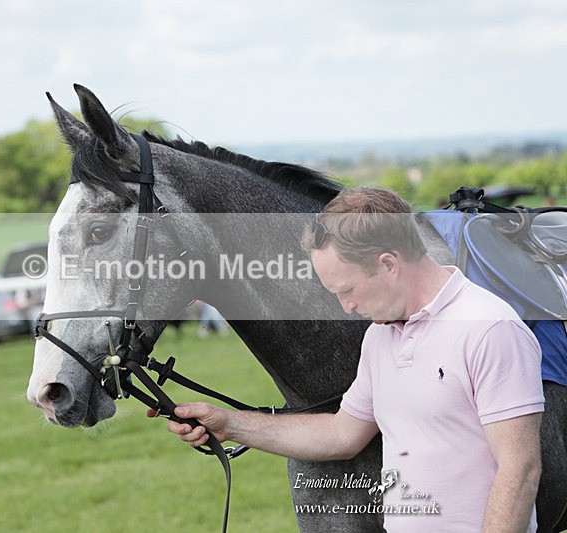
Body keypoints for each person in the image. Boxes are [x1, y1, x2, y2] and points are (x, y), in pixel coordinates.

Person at [151, 187, 544, 532]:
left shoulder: (490, 328)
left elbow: (521, 470)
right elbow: (342, 434)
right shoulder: (379, 336)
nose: (346, 306)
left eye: (347, 289)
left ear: (388, 264)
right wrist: (230, 424)